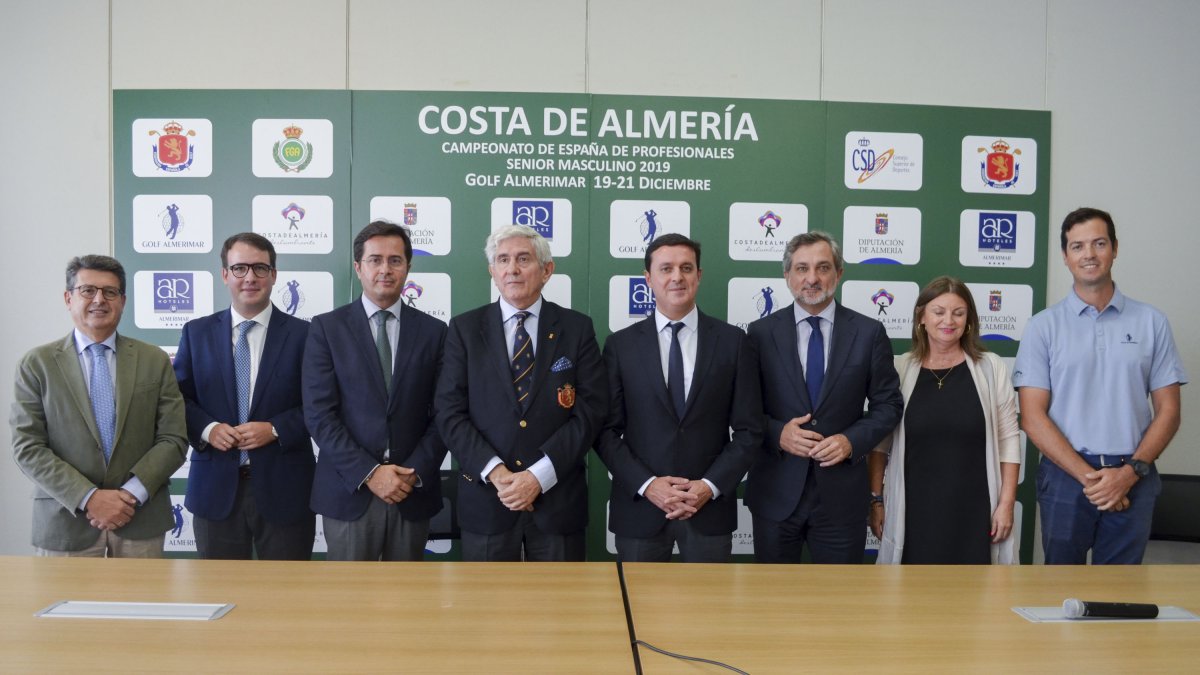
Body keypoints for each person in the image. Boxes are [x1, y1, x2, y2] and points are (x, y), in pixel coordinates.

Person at [1014, 207, 1186, 564]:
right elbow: (1032, 417)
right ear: (1065, 256)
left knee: (1121, 596)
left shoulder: (1152, 322)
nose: (1088, 254)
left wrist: (1127, 475)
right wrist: (1094, 480)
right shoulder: (1042, 327)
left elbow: (1169, 411)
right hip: (1065, 476)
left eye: (1099, 243)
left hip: (1134, 474)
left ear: (1115, 248)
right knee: (1059, 594)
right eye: (1077, 246)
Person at [435, 225, 606, 562]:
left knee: (560, 611)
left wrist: (537, 476)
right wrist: (499, 474)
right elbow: (449, 412)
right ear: (492, 272)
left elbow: (590, 412)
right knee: (487, 611)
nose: (512, 269)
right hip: (488, 500)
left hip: (557, 503)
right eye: (503, 260)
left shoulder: (577, 328)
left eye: (523, 259)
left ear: (547, 270)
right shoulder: (464, 330)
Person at [597, 234, 762, 562]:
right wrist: (648, 485)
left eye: (687, 268)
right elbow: (604, 431)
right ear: (649, 278)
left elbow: (749, 431)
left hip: (708, 511)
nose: (677, 277)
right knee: (638, 611)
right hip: (640, 510)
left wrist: (708, 487)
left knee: (707, 612)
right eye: (666, 268)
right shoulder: (620, 346)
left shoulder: (733, 342)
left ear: (699, 275)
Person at [11, 255, 187, 556]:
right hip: (65, 520)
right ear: (68, 298)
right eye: (88, 290)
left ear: (123, 300)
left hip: (139, 518)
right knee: (62, 604)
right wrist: (89, 497)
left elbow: (174, 439)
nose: (99, 300)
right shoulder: (37, 363)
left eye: (110, 292)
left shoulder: (154, 360)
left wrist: (129, 495)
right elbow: (27, 446)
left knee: (142, 604)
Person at [745, 231, 903, 563]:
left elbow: (888, 404)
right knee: (771, 606)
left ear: (839, 273)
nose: (812, 278)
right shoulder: (759, 334)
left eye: (823, 267)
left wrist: (851, 440)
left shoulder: (869, 333)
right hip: (776, 493)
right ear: (787, 275)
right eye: (802, 268)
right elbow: (743, 409)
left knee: (839, 605)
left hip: (841, 498)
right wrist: (778, 434)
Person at [303, 221, 447, 561]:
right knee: (350, 606)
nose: (385, 269)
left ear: (408, 267)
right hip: (348, 491)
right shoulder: (326, 329)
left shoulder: (435, 332)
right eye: (375, 259)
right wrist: (369, 474)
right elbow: (319, 414)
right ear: (358, 267)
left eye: (395, 260)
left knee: (409, 605)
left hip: (411, 492)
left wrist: (410, 475)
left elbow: (446, 413)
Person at [173, 233, 315, 560]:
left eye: (260, 268)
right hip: (214, 489)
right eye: (239, 268)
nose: (249, 277)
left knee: (286, 597)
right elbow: (177, 400)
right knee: (219, 595)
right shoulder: (196, 333)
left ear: (274, 274)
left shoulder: (306, 336)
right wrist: (208, 429)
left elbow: (321, 406)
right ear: (225, 275)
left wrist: (276, 428)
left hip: (287, 489)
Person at [868, 276, 1020, 564]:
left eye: (958, 313)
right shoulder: (900, 369)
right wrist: (876, 499)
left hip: (976, 509)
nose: (948, 320)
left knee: (977, 597)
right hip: (913, 509)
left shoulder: (991, 368)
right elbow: (879, 445)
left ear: (969, 320)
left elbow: (1009, 440)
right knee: (911, 598)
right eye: (938, 312)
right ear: (921, 317)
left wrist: (1006, 504)